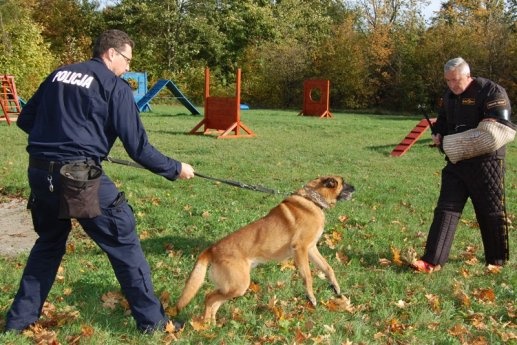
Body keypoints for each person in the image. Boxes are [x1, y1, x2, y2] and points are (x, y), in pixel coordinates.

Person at [5, 29, 195, 333]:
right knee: (124, 241)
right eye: (127, 60)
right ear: (111, 53)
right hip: (77, 176)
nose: (128, 68)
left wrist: (62, 140)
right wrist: (176, 168)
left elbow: (26, 120)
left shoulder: (59, 74)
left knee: (49, 244)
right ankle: (154, 324)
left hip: (40, 173)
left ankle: (17, 323)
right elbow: (139, 148)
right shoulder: (114, 86)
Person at [411, 57, 515, 273]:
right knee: (445, 210)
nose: (451, 85)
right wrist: (438, 133)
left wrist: (449, 143)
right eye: (447, 81)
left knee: (490, 212)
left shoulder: (492, 92)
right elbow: (442, 120)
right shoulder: (449, 96)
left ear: (468, 75)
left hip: (486, 163)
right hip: (456, 163)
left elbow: (496, 133)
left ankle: (496, 261)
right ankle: (432, 260)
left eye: (455, 80)